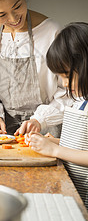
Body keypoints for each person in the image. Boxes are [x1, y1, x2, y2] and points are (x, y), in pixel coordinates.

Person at [0, 0, 72, 136]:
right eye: (1, 14)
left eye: (17, 6)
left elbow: (67, 91)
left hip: (47, 130)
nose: (13, 19)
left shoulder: (51, 31)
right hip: (3, 132)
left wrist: (40, 120)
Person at [25, 22, 88, 209]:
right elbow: (81, 146)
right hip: (74, 191)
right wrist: (54, 142)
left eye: (67, 75)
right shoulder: (80, 102)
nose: (64, 83)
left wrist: (55, 151)